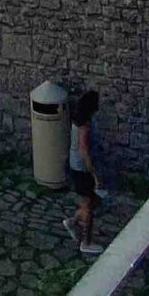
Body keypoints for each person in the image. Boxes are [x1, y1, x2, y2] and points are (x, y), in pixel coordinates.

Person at [62, 90, 104, 257]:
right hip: (81, 168)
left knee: (90, 202)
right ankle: (86, 242)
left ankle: (73, 221)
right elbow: (83, 150)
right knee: (89, 205)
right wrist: (94, 173)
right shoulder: (85, 126)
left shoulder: (76, 121)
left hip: (74, 165)